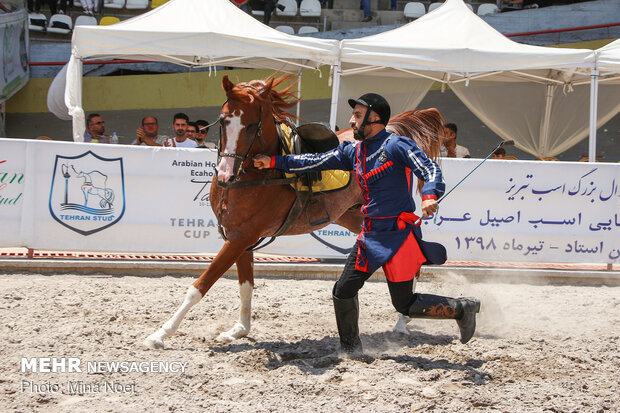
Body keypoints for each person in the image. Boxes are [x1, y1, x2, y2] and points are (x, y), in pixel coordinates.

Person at [253, 93, 480, 354]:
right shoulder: (354, 151)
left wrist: (429, 195)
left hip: (401, 235)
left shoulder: (397, 146)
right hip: (371, 235)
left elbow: (429, 170)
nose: (351, 121)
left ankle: (462, 308)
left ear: (375, 119)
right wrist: (273, 161)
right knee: (343, 290)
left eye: (357, 116)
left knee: (404, 304)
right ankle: (351, 349)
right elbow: (314, 161)